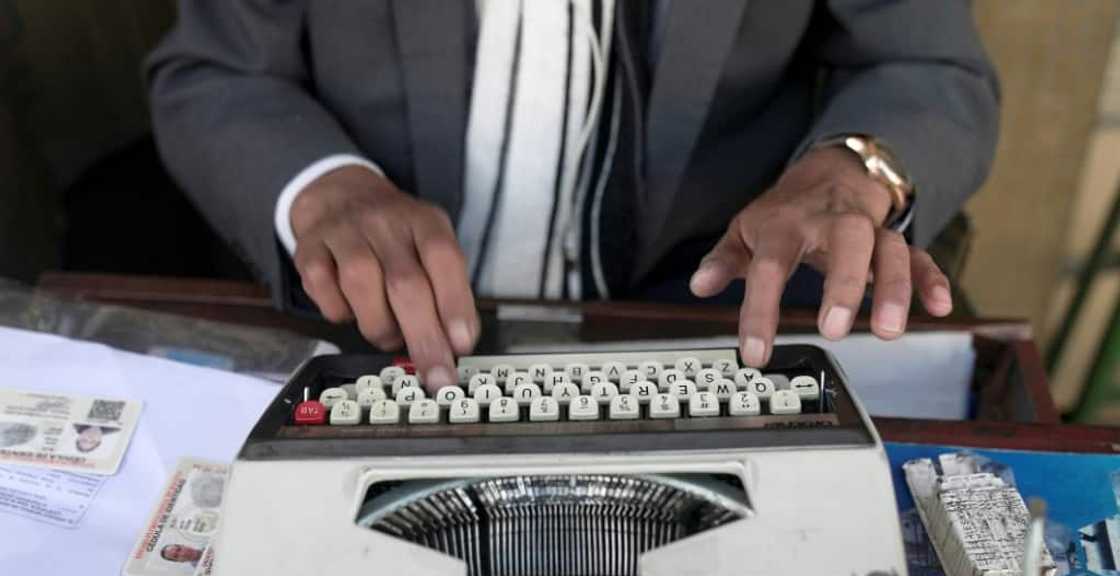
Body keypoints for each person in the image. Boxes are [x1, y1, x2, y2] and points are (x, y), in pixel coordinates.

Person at [148, 1, 998, 390]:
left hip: (702, 315)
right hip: (365, 322)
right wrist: (324, 187)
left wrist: (848, 171)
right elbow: (219, 70)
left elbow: (923, 64)